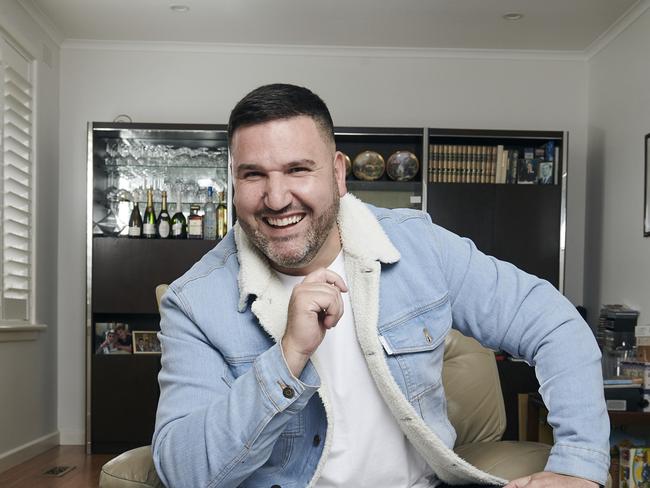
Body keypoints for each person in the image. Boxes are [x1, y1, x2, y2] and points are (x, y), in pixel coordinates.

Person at [152, 84, 609, 488]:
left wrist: (578, 463)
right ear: (234, 180)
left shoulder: (419, 245)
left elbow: (554, 323)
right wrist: (287, 359)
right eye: (253, 174)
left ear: (336, 173)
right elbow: (182, 470)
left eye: (297, 169)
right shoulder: (193, 303)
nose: (276, 199)